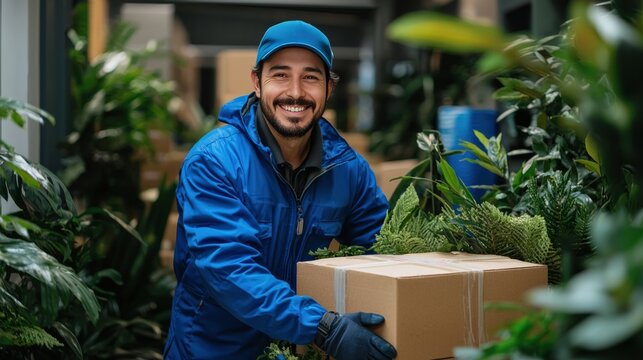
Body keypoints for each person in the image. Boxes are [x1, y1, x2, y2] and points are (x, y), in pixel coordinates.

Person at [164, 20, 397, 360]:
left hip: (292, 351)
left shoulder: (348, 171)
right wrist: (324, 328)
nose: (296, 92)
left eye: (311, 77)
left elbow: (385, 247)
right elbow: (230, 269)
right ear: (257, 82)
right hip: (213, 348)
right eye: (281, 75)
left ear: (329, 90)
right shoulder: (214, 161)